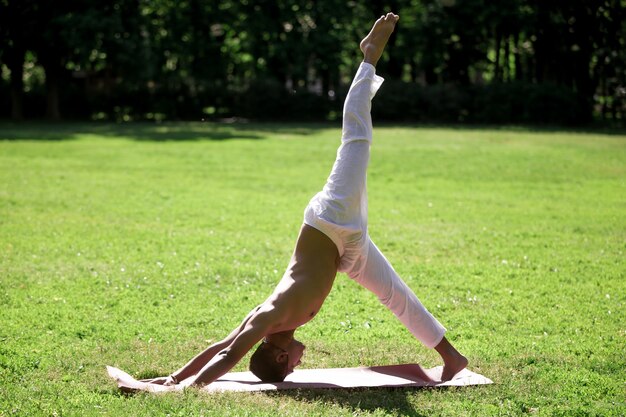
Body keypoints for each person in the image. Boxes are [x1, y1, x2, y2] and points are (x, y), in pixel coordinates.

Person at [143, 12, 467, 389]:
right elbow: (221, 344)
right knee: (395, 293)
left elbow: (227, 355)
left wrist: (187, 388)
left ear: (280, 355)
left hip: (331, 219)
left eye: (291, 366)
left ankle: (369, 59)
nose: (300, 363)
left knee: (356, 141)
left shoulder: (269, 317)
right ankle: (452, 357)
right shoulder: (273, 323)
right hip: (347, 248)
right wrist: (172, 376)